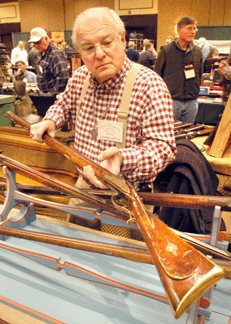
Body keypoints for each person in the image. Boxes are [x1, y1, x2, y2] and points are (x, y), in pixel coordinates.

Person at [29, 7, 176, 214]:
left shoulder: (149, 85)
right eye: (88, 48)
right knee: (76, 242)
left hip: (129, 197)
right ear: (79, 52)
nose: (99, 54)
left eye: (107, 42)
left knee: (126, 247)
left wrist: (124, 159)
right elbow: (63, 104)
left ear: (123, 40)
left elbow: (164, 149)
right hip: (84, 190)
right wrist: (51, 120)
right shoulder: (80, 77)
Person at [155, 16, 203, 124]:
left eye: (194, 29)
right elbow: (157, 76)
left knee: (187, 136)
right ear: (179, 30)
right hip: (172, 101)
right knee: (170, 135)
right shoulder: (166, 51)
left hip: (192, 102)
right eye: (189, 28)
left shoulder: (198, 51)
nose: (193, 32)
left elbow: (200, 74)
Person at [28, 27, 69, 93]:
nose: (36, 46)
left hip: (53, 97)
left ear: (46, 39)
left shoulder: (55, 54)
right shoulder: (40, 53)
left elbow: (63, 78)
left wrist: (51, 93)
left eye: (38, 42)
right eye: (34, 43)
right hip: (44, 94)